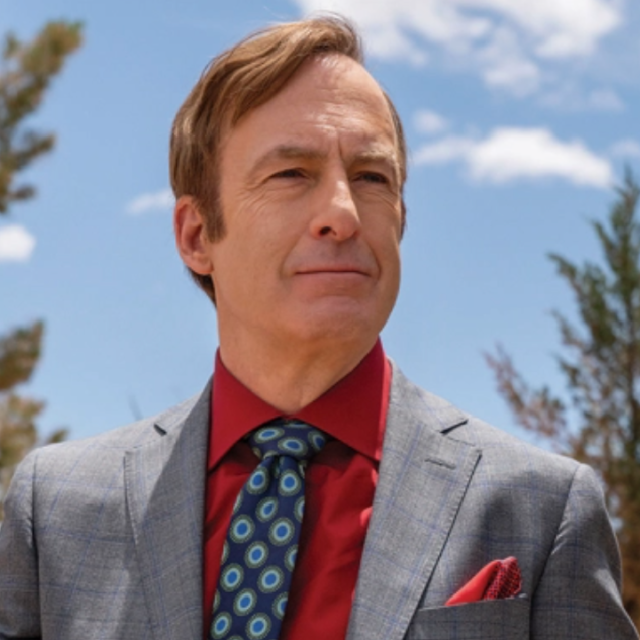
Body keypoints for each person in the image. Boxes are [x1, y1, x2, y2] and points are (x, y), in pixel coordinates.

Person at [0, 14, 637, 640]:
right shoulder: (53, 511)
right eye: (291, 174)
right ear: (197, 236)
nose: (343, 212)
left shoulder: (543, 509)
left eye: (372, 178)